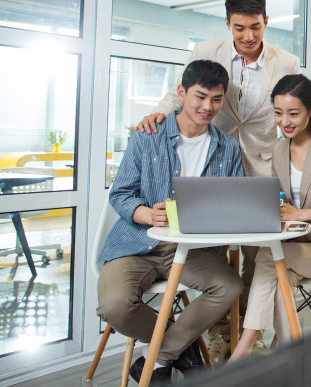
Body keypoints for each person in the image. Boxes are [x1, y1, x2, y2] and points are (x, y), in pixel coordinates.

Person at [136, 0, 301, 360]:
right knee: (213, 255)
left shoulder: (286, 62)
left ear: (266, 22)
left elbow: (296, 108)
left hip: (260, 165)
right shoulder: (205, 52)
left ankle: (249, 332)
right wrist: (157, 113)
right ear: (228, 24)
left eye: (255, 27)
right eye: (239, 28)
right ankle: (218, 333)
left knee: (256, 253)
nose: (248, 36)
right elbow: (180, 92)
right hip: (212, 163)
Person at [97, 60, 244, 385]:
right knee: (115, 305)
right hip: (137, 244)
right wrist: (147, 214)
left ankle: (160, 356)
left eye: (217, 99)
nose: (208, 107)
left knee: (230, 285)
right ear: (181, 93)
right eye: (200, 97)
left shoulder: (228, 147)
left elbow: (234, 202)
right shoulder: (147, 136)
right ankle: (182, 347)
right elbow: (120, 194)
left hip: (192, 249)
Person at [228, 74, 311, 362]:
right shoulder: (278, 150)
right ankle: (291, 360)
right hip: (296, 245)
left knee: (268, 259)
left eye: (293, 113)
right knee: (279, 277)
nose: (284, 121)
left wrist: (300, 214)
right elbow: (281, 200)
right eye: (278, 113)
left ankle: (244, 347)